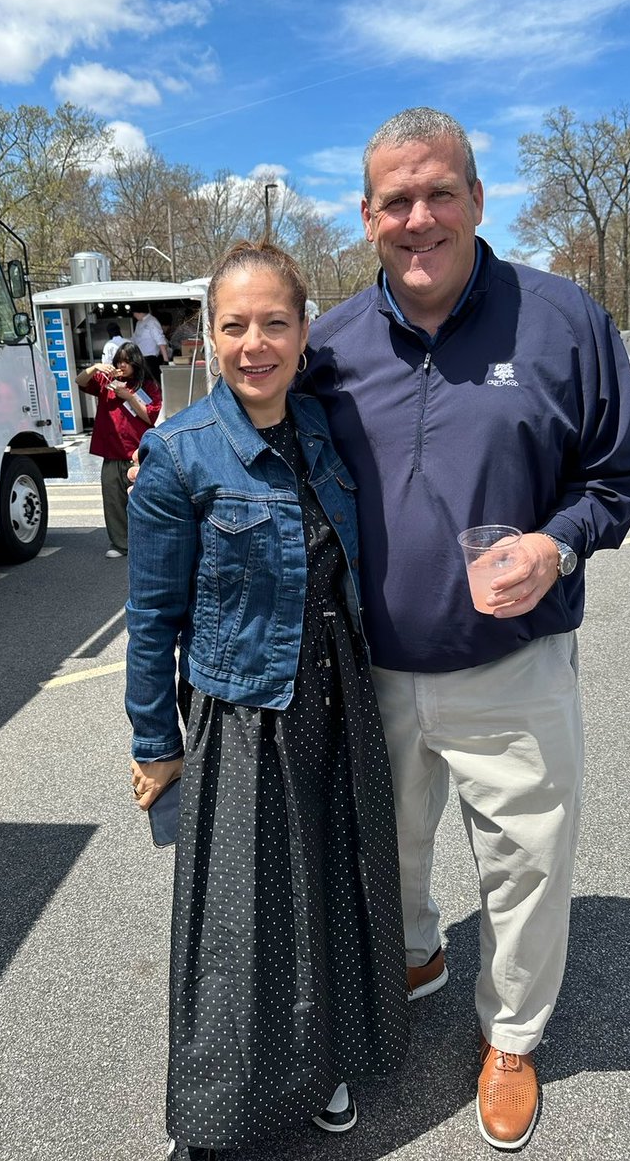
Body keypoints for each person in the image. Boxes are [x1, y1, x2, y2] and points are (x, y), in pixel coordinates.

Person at [303, 107, 630, 1152]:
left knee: (523, 861)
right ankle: (413, 951)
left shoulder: (561, 320)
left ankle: (510, 1034)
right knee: (388, 846)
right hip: (370, 663)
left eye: (437, 194)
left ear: (476, 199)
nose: (418, 218)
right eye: (395, 201)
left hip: (513, 661)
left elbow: (620, 471)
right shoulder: (327, 343)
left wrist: (555, 546)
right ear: (365, 215)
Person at [126, 242, 409, 1161]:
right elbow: (152, 614)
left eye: (274, 323)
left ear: (303, 332)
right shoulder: (176, 454)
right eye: (234, 325)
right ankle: (221, 1116)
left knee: (332, 889)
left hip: (338, 697)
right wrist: (153, 740)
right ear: (208, 339)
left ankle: (325, 1063)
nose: (255, 343)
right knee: (241, 921)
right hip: (243, 712)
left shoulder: (326, 427)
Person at [76, 342, 161, 558]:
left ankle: (147, 543)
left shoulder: (147, 385)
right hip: (111, 452)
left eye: (126, 361)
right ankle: (121, 544)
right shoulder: (107, 382)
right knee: (113, 501)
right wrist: (95, 368)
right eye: (118, 361)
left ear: (136, 362)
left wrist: (130, 397)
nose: (121, 365)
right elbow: (80, 381)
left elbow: (149, 417)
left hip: (137, 453)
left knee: (143, 501)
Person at [131, 305, 170, 381]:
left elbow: (160, 340)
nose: (134, 315)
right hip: (140, 358)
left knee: (153, 382)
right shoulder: (139, 323)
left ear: (138, 312)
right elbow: (134, 339)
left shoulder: (152, 321)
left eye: (134, 313)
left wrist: (165, 360)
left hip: (151, 359)